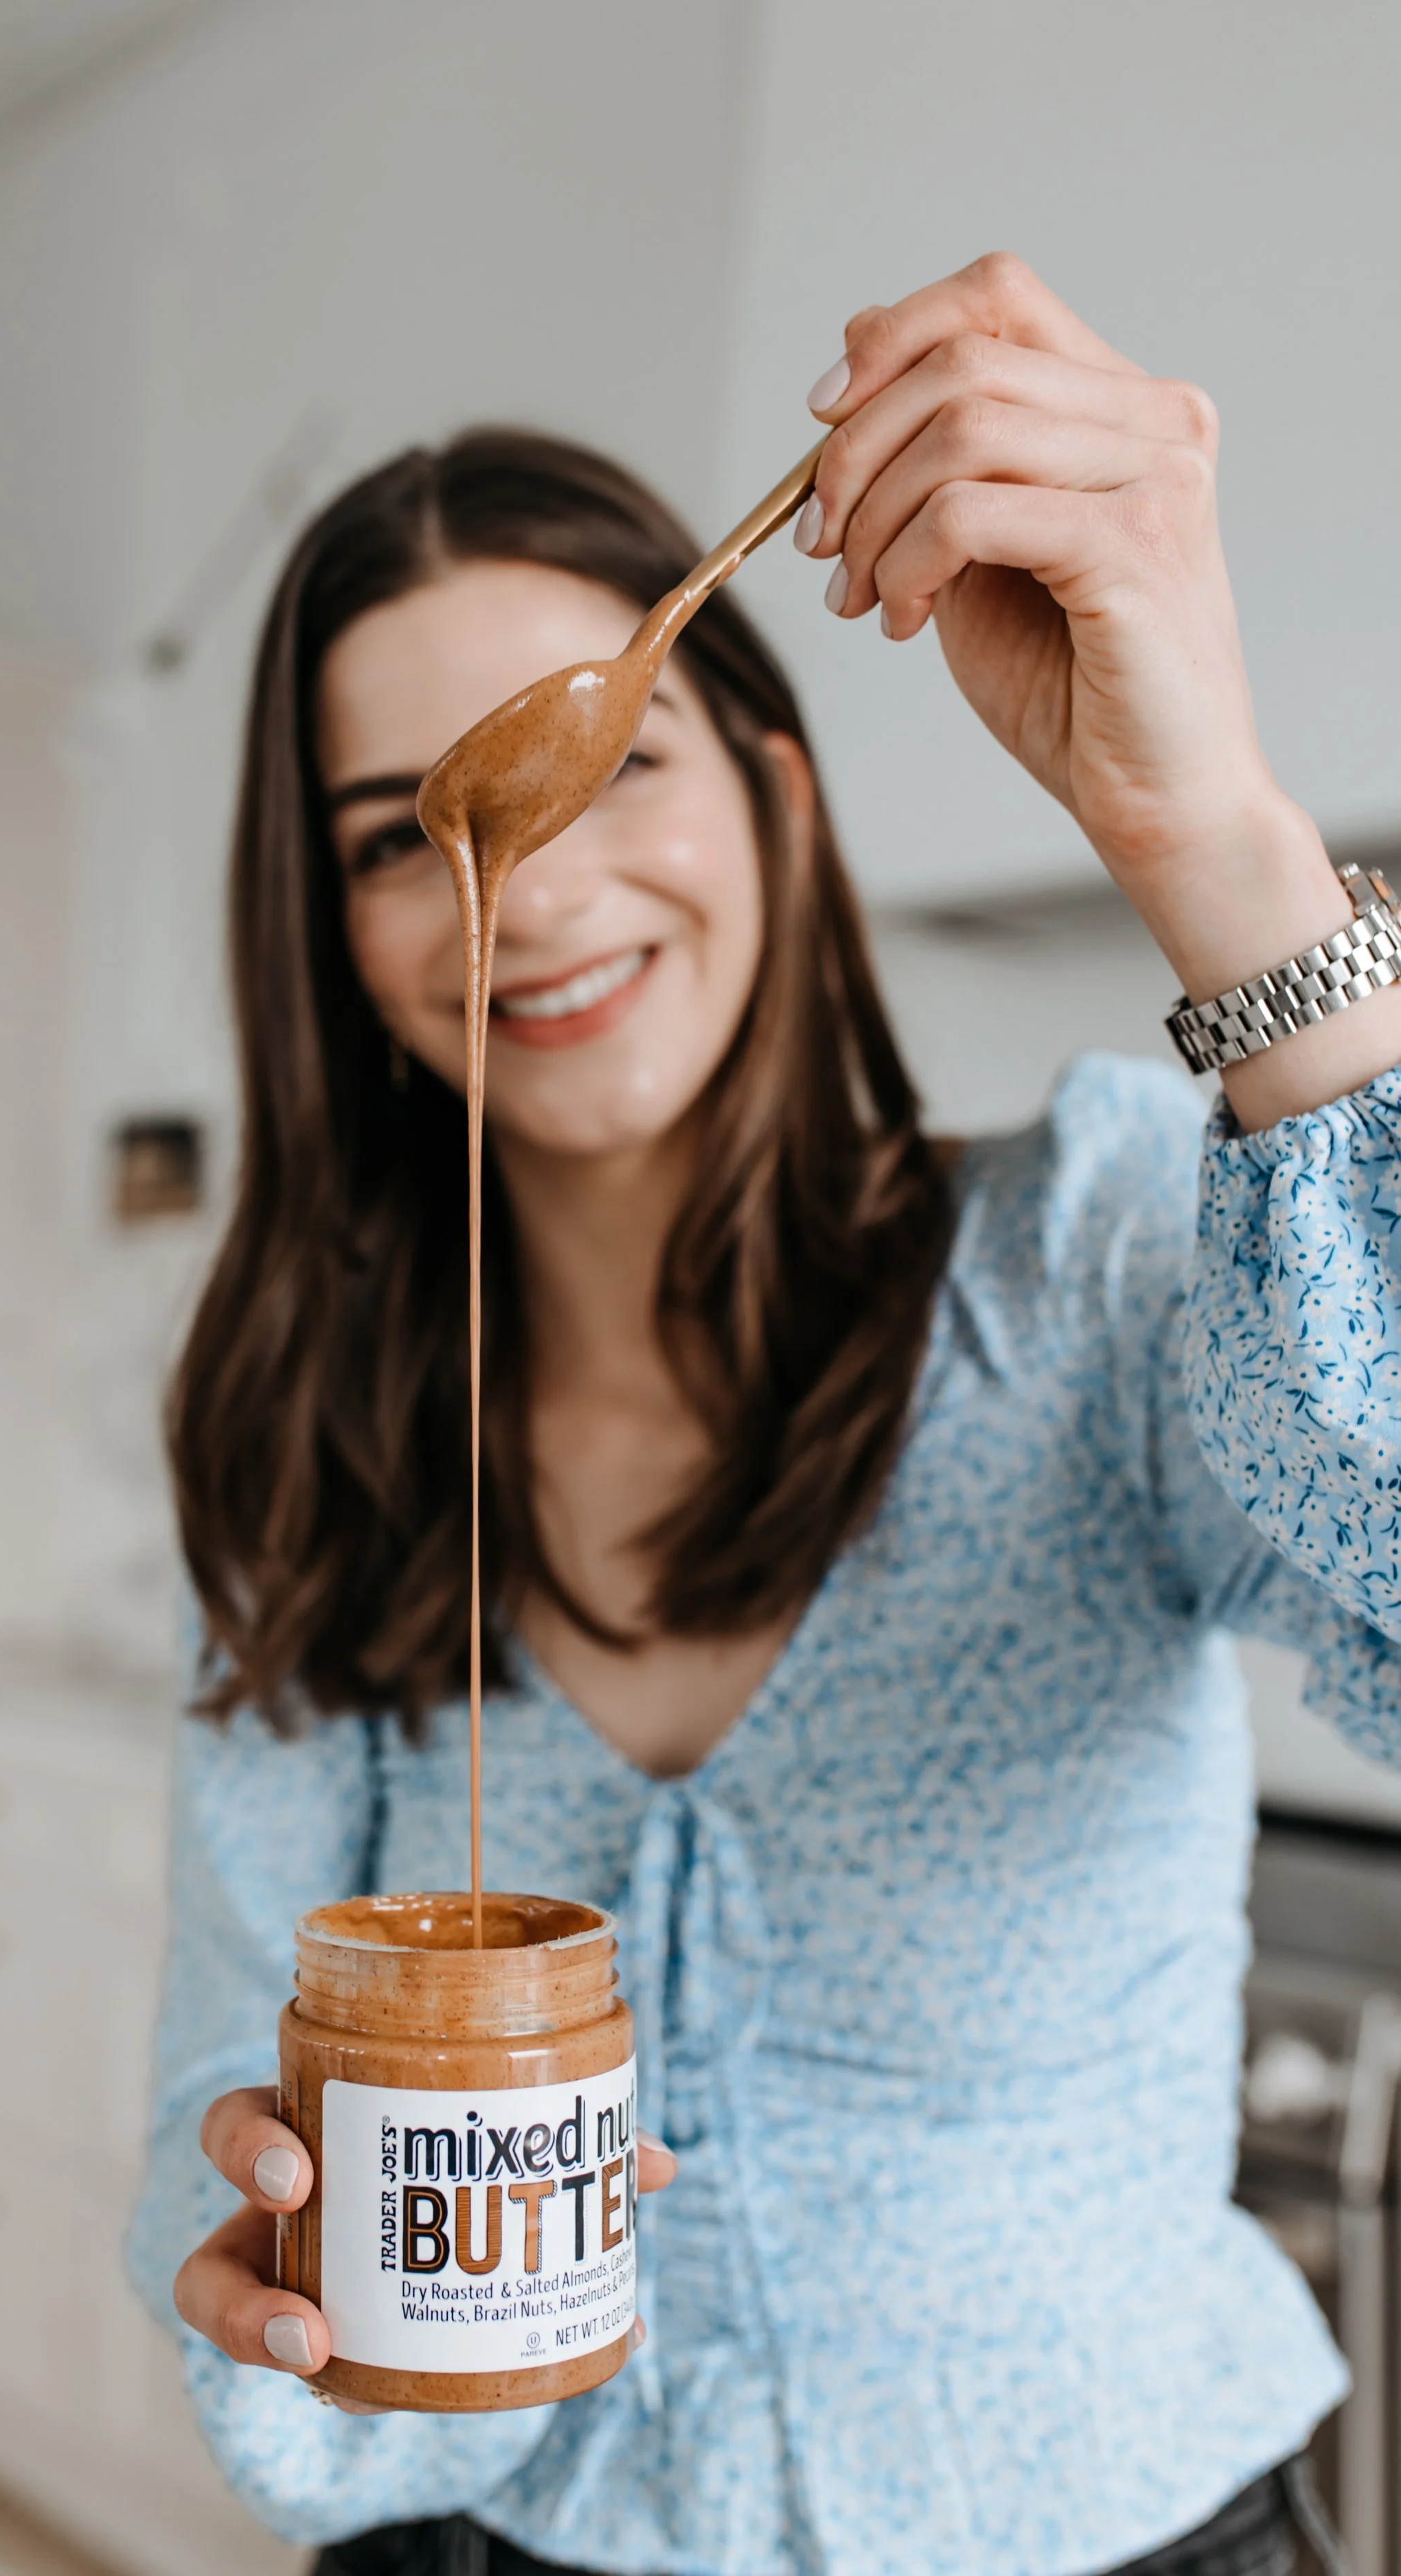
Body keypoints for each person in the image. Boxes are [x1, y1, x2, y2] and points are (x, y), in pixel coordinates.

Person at [126, 256, 1401, 2576]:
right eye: (400, 836)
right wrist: (280, 2283)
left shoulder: (1089, 1261)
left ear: (777, 802)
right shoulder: (313, 1432)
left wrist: (1212, 831)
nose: (517, 885)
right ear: (328, 938)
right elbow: (230, 2104)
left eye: (603, 757)